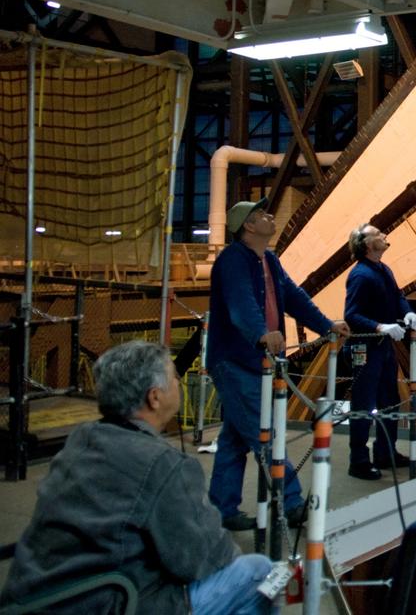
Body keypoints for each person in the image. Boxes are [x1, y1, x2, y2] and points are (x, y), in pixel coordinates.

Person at [0, 341, 272, 614]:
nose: (178, 382)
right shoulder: (163, 464)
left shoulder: (81, 439)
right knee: (258, 573)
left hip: (36, 600)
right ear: (154, 397)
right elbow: (206, 557)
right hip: (110, 602)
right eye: (173, 377)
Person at [207, 197, 349, 530]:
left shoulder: (268, 259)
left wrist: (326, 324)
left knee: (234, 438)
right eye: (263, 215)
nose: (271, 217)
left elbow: (294, 297)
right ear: (248, 226)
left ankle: (220, 510)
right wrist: (261, 334)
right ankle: (290, 503)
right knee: (265, 433)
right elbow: (241, 304)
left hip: (257, 362)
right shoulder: (232, 260)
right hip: (236, 362)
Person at [344, 222, 416, 480]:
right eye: (378, 233)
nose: (384, 235)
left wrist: (408, 312)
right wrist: (380, 327)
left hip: (382, 347)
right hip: (366, 348)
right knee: (364, 404)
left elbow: (397, 295)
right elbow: (351, 315)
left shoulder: (383, 269)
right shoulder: (360, 275)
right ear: (367, 245)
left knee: (389, 401)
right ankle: (358, 461)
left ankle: (385, 452)